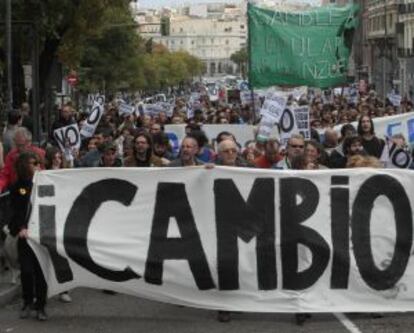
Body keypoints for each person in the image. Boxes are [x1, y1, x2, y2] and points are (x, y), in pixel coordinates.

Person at [8, 151, 48, 321]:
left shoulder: (46, 184)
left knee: (41, 273)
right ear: (25, 166)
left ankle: (41, 306)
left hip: (42, 237)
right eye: (34, 163)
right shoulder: (18, 187)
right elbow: (14, 211)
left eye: (39, 163)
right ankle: (27, 301)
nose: (38, 166)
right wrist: (20, 228)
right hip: (25, 237)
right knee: (26, 271)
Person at [0, 128, 45, 192]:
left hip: (35, 188)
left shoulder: (39, 154)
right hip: (17, 189)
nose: (19, 148)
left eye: (21, 145)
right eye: (16, 145)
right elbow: (5, 174)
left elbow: (45, 174)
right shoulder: (11, 155)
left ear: (29, 142)